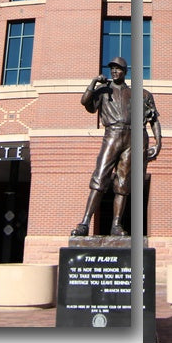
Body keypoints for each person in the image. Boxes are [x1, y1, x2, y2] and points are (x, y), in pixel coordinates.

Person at [72, 56, 161, 237]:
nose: (114, 71)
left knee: (123, 183)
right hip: (112, 135)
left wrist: (159, 142)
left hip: (134, 137)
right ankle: (84, 223)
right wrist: (93, 83)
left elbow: (154, 120)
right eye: (112, 68)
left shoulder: (141, 94)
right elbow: (85, 102)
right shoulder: (104, 91)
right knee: (100, 178)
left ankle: (116, 225)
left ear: (125, 72)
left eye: (118, 68)